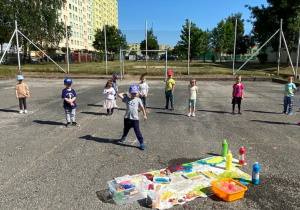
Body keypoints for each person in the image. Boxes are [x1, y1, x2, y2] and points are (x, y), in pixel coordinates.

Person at [118, 85, 147, 150]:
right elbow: (119, 94)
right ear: (130, 92)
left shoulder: (138, 100)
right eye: (132, 93)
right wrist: (126, 93)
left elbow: (142, 108)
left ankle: (141, 143)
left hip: (135, 119)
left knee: (137, 131)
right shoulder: (127, 99)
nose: (134, 94)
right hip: (127, 118)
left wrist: (144, 115)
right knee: (126, 129)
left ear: (137, 92)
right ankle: (124, 136)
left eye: (135, 93)